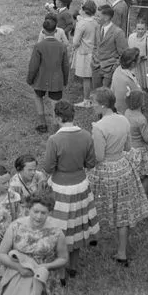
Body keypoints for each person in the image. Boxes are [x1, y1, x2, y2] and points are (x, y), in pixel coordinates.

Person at [0, 192, 71, 295]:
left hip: (44, 281)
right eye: (35, 211)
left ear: (49, 212)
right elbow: (1, 254)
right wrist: (19, 268)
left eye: (43, 213)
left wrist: (46, 267)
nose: (39, 216)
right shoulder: (16, 226)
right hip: (18, 277)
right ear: (28, 209)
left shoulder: (56, 231)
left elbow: (63, 258)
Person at [86, 88, 148, 266]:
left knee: (94, 204)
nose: (92, 106)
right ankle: (122, 252)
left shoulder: (98, 127)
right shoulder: (123, 119)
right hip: (123, 168)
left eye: (93, 102)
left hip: (105, 171)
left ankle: (92, 236)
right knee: (122, 211)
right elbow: (128, 147)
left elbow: (99, 156)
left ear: (102, 105)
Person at [42, 101, 100, 276]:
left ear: (58, 118)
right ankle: (73, 266)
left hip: (60, 187)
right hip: (80, 186)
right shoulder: (86, 136)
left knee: (59, 227)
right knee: (77, 225)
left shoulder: (54, 140)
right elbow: (91, 163)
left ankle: (60, 271)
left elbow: (48, 167)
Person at [27, 16, 71, 133]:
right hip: (57, 80)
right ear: (56, 30)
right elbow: (66, 65)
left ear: (43, 31)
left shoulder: (39, 46)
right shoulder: (62, 46)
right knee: (55, 103)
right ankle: (56, 127)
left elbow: (33, 66)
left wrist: (30, 79)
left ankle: (42, 124)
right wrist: (65, 80)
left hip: (40, 79)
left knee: (38, 97)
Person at [91, 4, 128, 90]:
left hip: (109, 70)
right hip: (96, 67)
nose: (95, 18)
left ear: (106, 18)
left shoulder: (118, 32)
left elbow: (124, 54)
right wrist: (93, 59)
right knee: (96, 93)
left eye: (98, 16)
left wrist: (114, 67)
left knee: (106, 95)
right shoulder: (97, 28)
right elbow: (95, 46)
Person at [71, 0, 98, 108]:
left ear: (84, 10)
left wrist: (74, 47)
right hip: (95, 51)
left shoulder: (81, 24)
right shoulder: (96, 22)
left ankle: (87, 100)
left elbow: (75, 42)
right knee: (93, 77)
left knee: (86, 78)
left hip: (84, 52)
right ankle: (93, 97)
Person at [111, 47, 143, 113]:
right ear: (133, 64)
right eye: (138, 58)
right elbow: (139, 96)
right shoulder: (128, 80)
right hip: (126, 112)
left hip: (116, 107)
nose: (139, 59)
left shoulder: (118, 70)